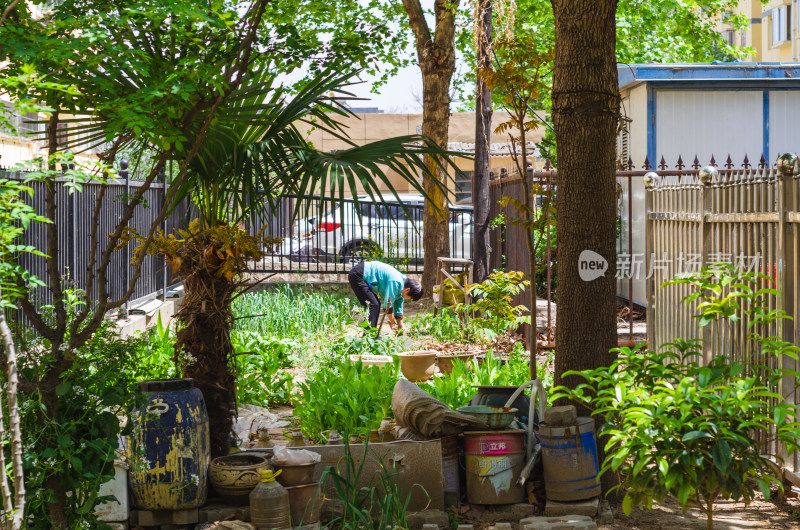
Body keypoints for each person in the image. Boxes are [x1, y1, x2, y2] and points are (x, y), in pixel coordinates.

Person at [348, 260, 423, 330]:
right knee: (374, 305)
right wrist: (393, 323)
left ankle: (369, 334)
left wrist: (400, 324)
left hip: (363, 275)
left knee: (372, 305)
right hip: (358, 274)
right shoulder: (396, 282)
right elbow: (387, 306)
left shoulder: (403, 284)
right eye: (409, 297)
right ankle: (369, 336)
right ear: (407, 290)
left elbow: (399, 304)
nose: (408, 298)